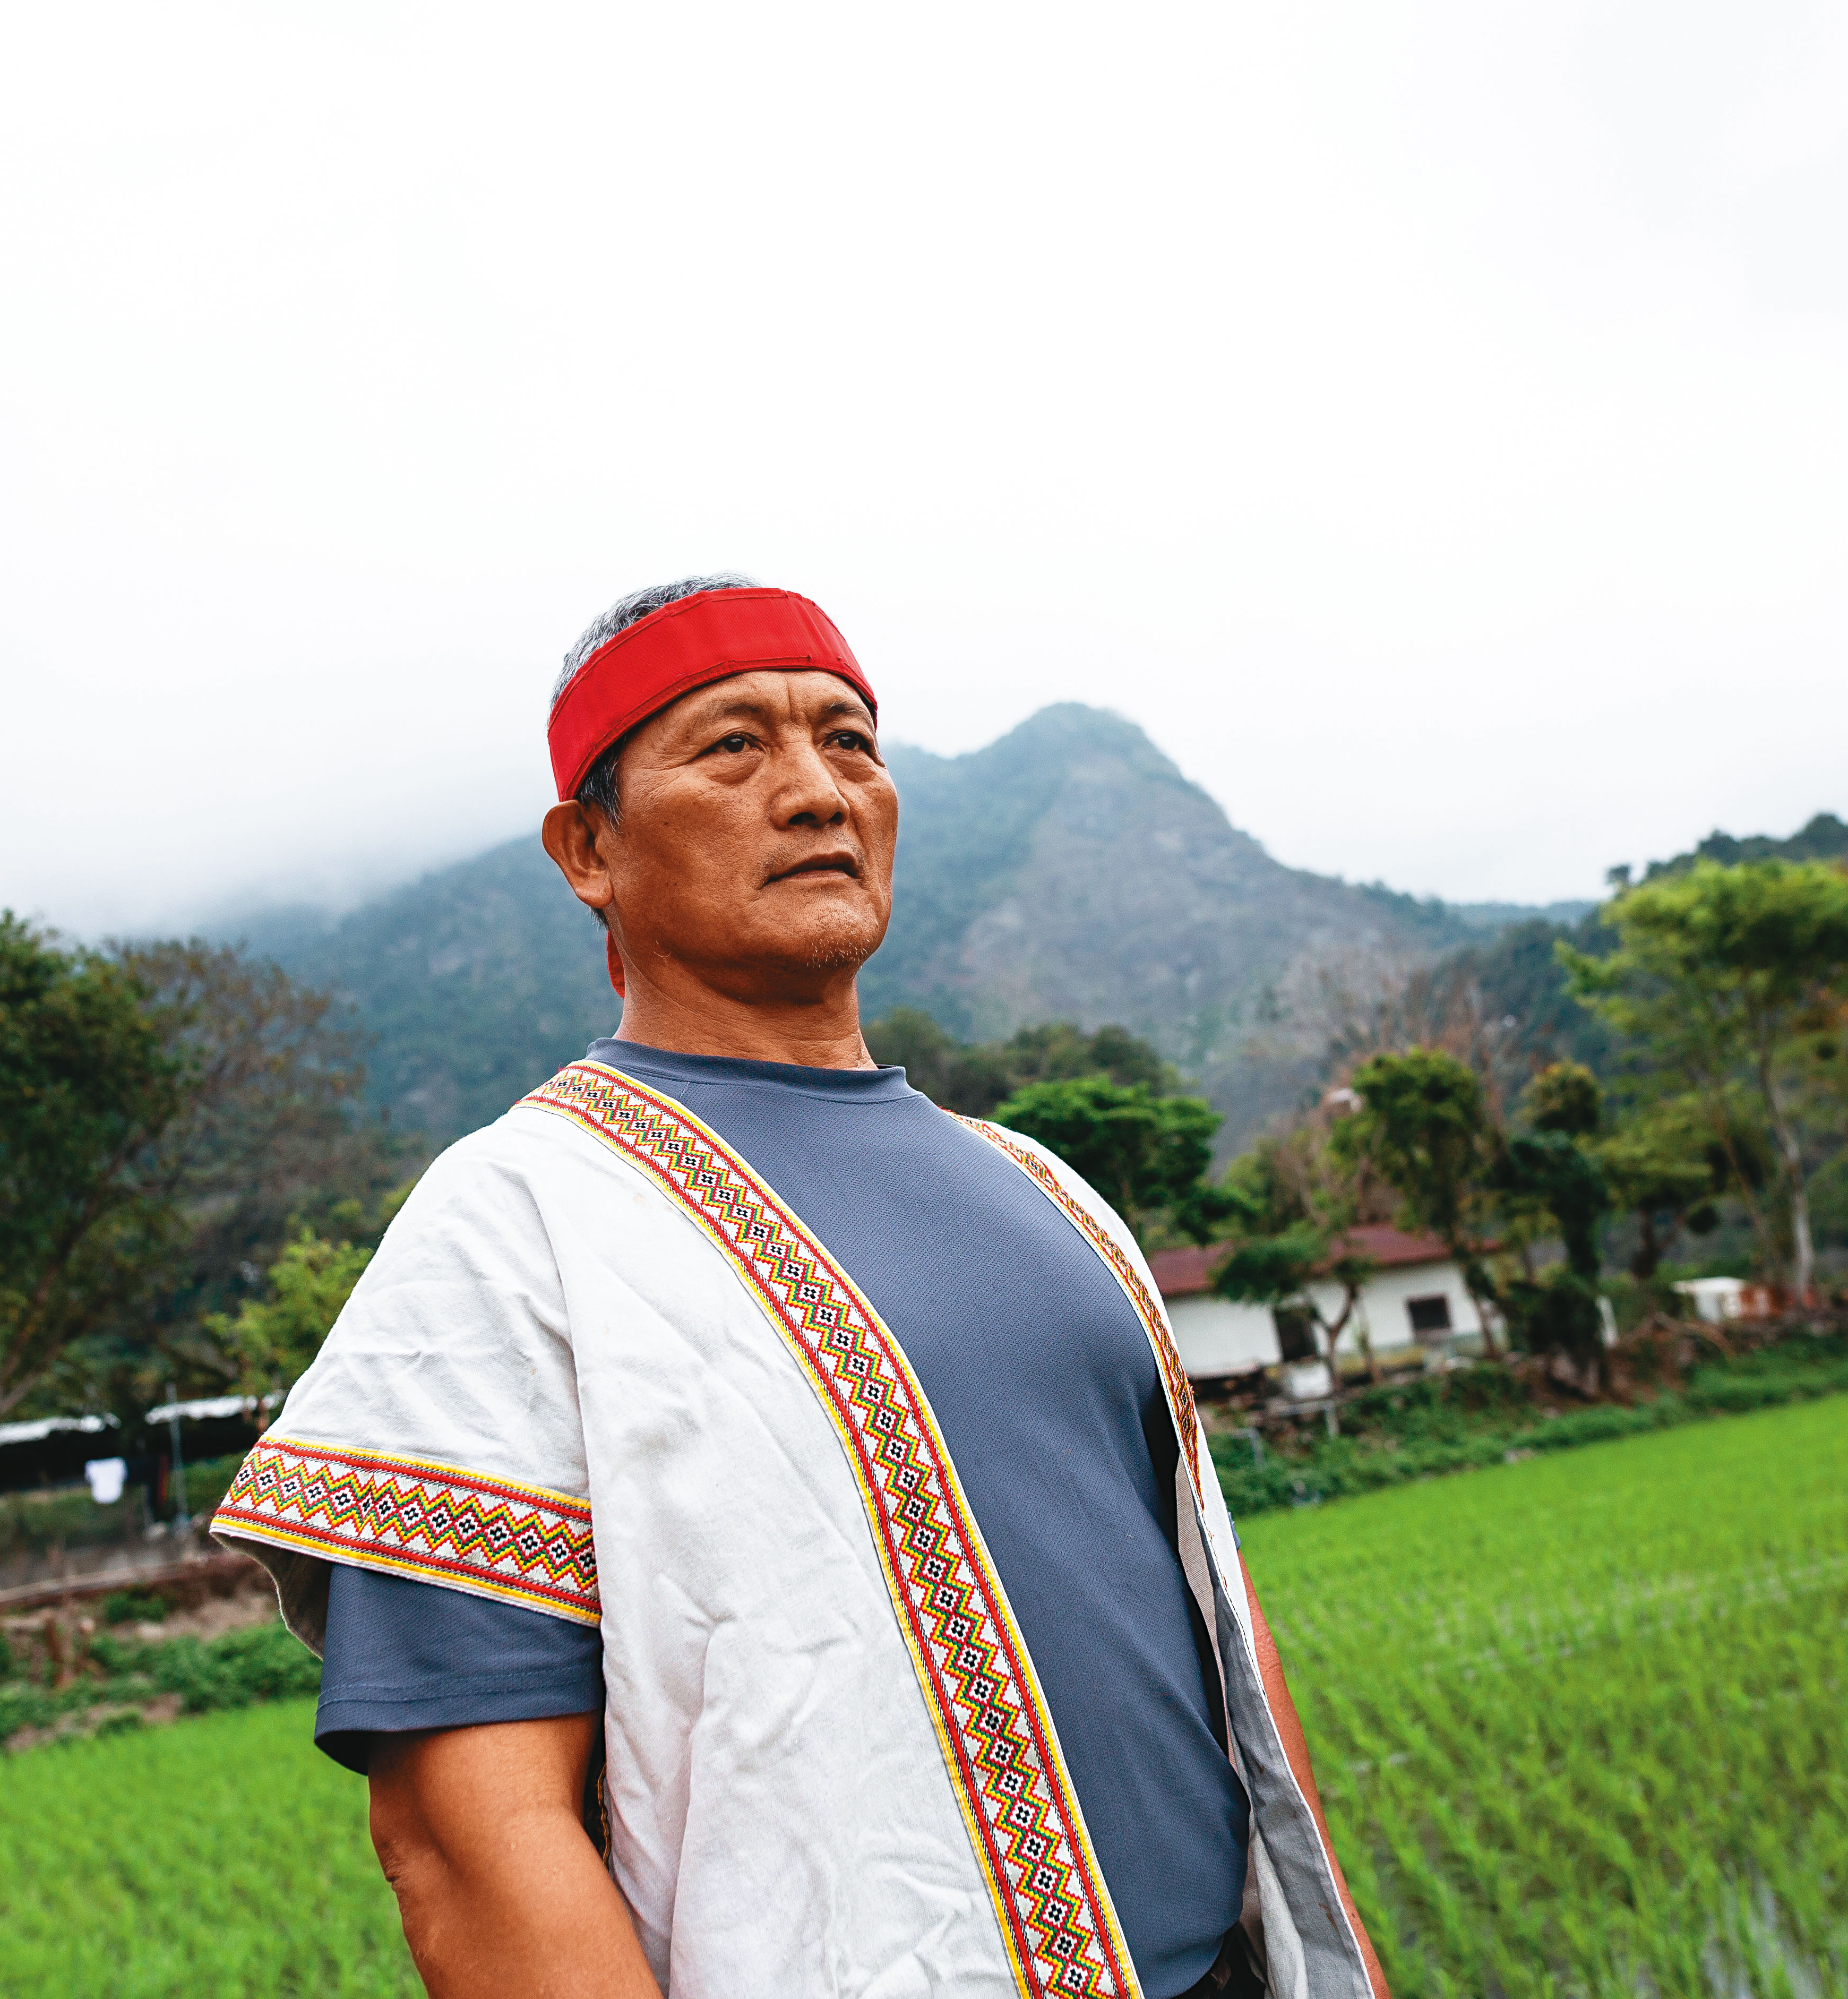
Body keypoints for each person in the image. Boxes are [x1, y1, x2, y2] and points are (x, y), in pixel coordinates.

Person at [214, 576, 1386, 1998]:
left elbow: (1219, 1630)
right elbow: (470, 1836)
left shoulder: (1046, 1189)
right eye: (732, 748)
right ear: (589, 848)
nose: (820, 791)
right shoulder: (518, 1220)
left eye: (851, 743)